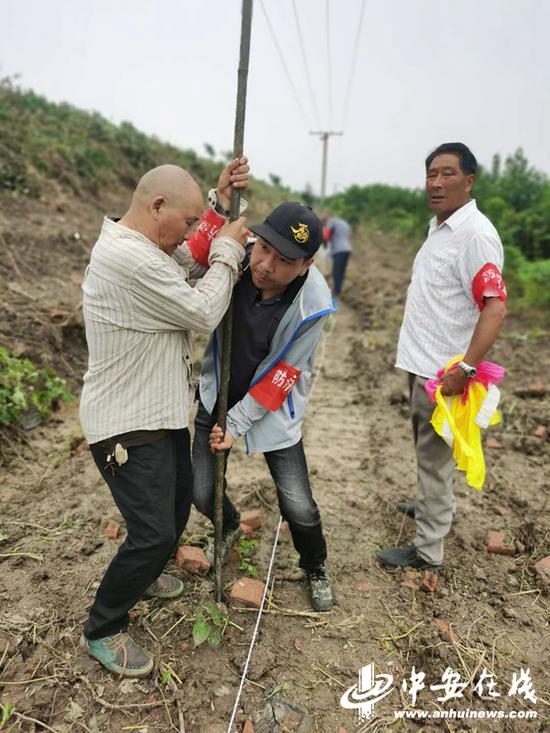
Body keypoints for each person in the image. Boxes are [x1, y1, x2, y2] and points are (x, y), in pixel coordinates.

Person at [79, 158, 250, 677]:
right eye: (188, 221)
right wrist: (229, 250)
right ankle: (103, 627)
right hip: (126, 424)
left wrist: (218, 209)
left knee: (174, 510)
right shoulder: (129, 260)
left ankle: (146, 573)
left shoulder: (147, 247)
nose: (192, 233)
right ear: (157, 207)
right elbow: (201, 310)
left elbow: (187, 263)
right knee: (153, 532)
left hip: (161, 410)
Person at [192, 202, 337, 612]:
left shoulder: (313, 304)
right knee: (202, 490)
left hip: (273, 407)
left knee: (297, 504)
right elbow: (194, 251)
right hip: (217, 391)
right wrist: (218, 205)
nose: (266, 264)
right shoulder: (235, 261)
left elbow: (285, 372)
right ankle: (230, 523)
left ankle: (315, 565)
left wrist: (237, 423)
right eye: (264, 248)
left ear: (306, 264)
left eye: (284, 260)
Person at [377, 142, 507, 571]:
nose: (435, 182)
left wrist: (465, 369)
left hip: (446, 375)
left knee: (434, 459)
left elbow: (495, 306)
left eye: (447, 174)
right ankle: (430, 508)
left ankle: (427, 552)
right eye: (431, 173)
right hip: (421, 364)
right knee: (427, 450)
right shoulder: (441, 228)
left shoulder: (475, 235)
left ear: (469, 181)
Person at [323, 213, 353, 297]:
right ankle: (338, 290)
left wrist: (324, 243)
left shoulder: (331, 221)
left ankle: (336, 292)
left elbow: (326, 235)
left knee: (336, 271)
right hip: (347, 249)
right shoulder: (345, 223)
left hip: (338, 250)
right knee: (341, 271)